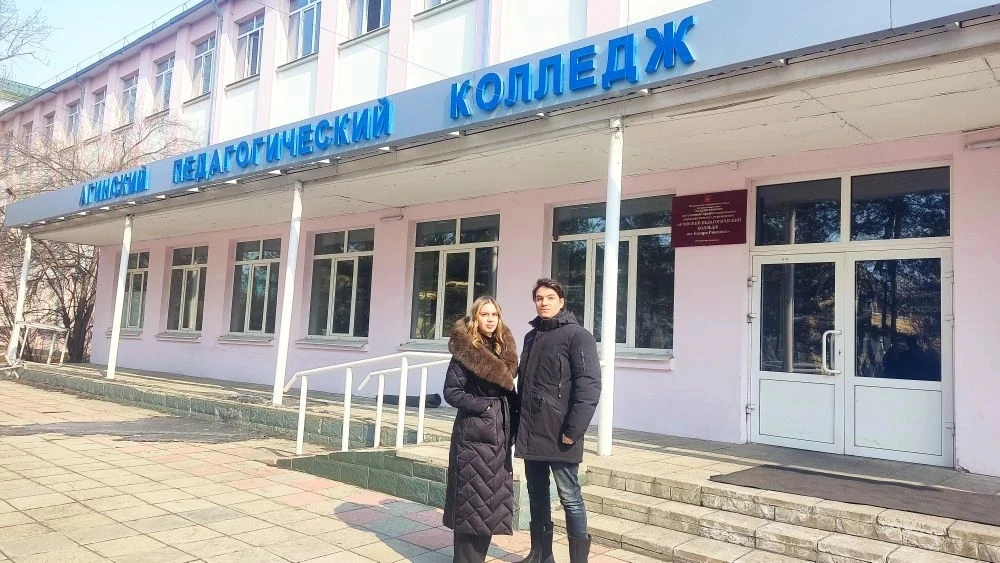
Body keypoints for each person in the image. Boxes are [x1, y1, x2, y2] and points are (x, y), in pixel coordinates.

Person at [516, 278, 601, 563]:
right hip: (531, 432)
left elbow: (589, 386)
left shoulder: (578, 336)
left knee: (570, 497)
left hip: (560, 432)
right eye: (539, 298)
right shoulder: (531, 337)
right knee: (536, 494)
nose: (544, 303)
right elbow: (525, 385)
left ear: (561, 301)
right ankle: (541, 555)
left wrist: (574, 429)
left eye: (550, 297)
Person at [442, 296, 520, 563]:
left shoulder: (501, 349)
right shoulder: (467, 351)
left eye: (494, 315)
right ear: (475, 317)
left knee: (489, 502)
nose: (490, 319)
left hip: (498, 435)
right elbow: (451, 392)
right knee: (471, 501)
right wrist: (484, 407)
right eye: (484, 314)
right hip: (473, 436)